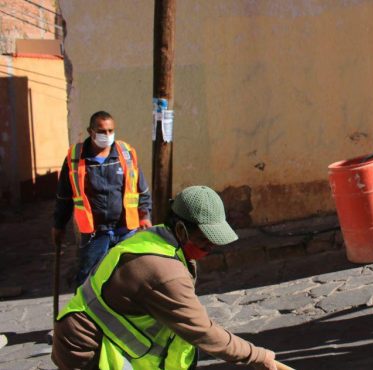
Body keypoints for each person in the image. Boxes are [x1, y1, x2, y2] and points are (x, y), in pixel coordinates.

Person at [52, 186, 278, 369]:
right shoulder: (164, 272)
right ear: (181, 230)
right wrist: (258, 356)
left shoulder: (158, 238)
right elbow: (202, 331)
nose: (210, 247)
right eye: (205, 239)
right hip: (86, 349)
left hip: (87, 337)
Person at [52, 111, 152, 286]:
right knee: (88, 281)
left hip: (125, 230)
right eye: (102, 131)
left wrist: (145, 216)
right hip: (95, 234)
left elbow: (141, 189)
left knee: (129, 281)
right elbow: (64, 197)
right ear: (90, 131)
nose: (107, 135)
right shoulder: (75, 158)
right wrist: (58, 225)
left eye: (110, 131)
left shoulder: (126, 154)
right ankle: (85, 313)